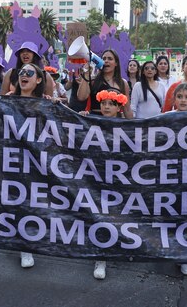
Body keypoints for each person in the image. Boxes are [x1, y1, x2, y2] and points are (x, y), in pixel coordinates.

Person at [79, 88, 129, 279]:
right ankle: (101, 257)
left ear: (119, 107)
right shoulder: (89, 120)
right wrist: (81, 117)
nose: (106, 107)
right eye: (104, 103)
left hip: (117, 179)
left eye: (111, 104)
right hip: (95, 176)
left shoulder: (126, 126)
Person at [9, 63, 52, 268]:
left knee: (33, 201)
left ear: (38, 80)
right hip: (12, 158)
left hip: (36, 160)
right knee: (17, 200)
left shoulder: (46, 104)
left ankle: (29, 243)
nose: (23, 76)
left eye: (29, 73)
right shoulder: (7, 100)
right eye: (21, 72)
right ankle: (20, 243)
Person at [162, 82, 187, 275]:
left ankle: (186, 257)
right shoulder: (164, 118)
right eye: (180, 97)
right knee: (169, 214)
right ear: (174, 98)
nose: (183, 100)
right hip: (168, 175)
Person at [77, 49, 132, 118]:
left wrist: (132, 126)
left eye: (110, 59)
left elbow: (127, 109)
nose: (106, 61)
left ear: (116, 63)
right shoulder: (93, 80)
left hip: (114, 122)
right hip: (95, 120)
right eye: (104, 58)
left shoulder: (123, 83)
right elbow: (81, 97)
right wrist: (86, 75)